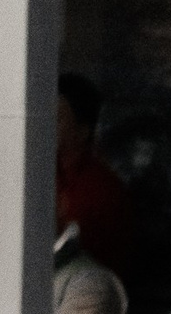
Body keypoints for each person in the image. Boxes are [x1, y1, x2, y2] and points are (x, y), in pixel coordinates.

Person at [54, 72, 132, 284]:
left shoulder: (104, 191)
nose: (45, 125)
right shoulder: (36, 178)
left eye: (57, 117)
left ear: (82, 130)